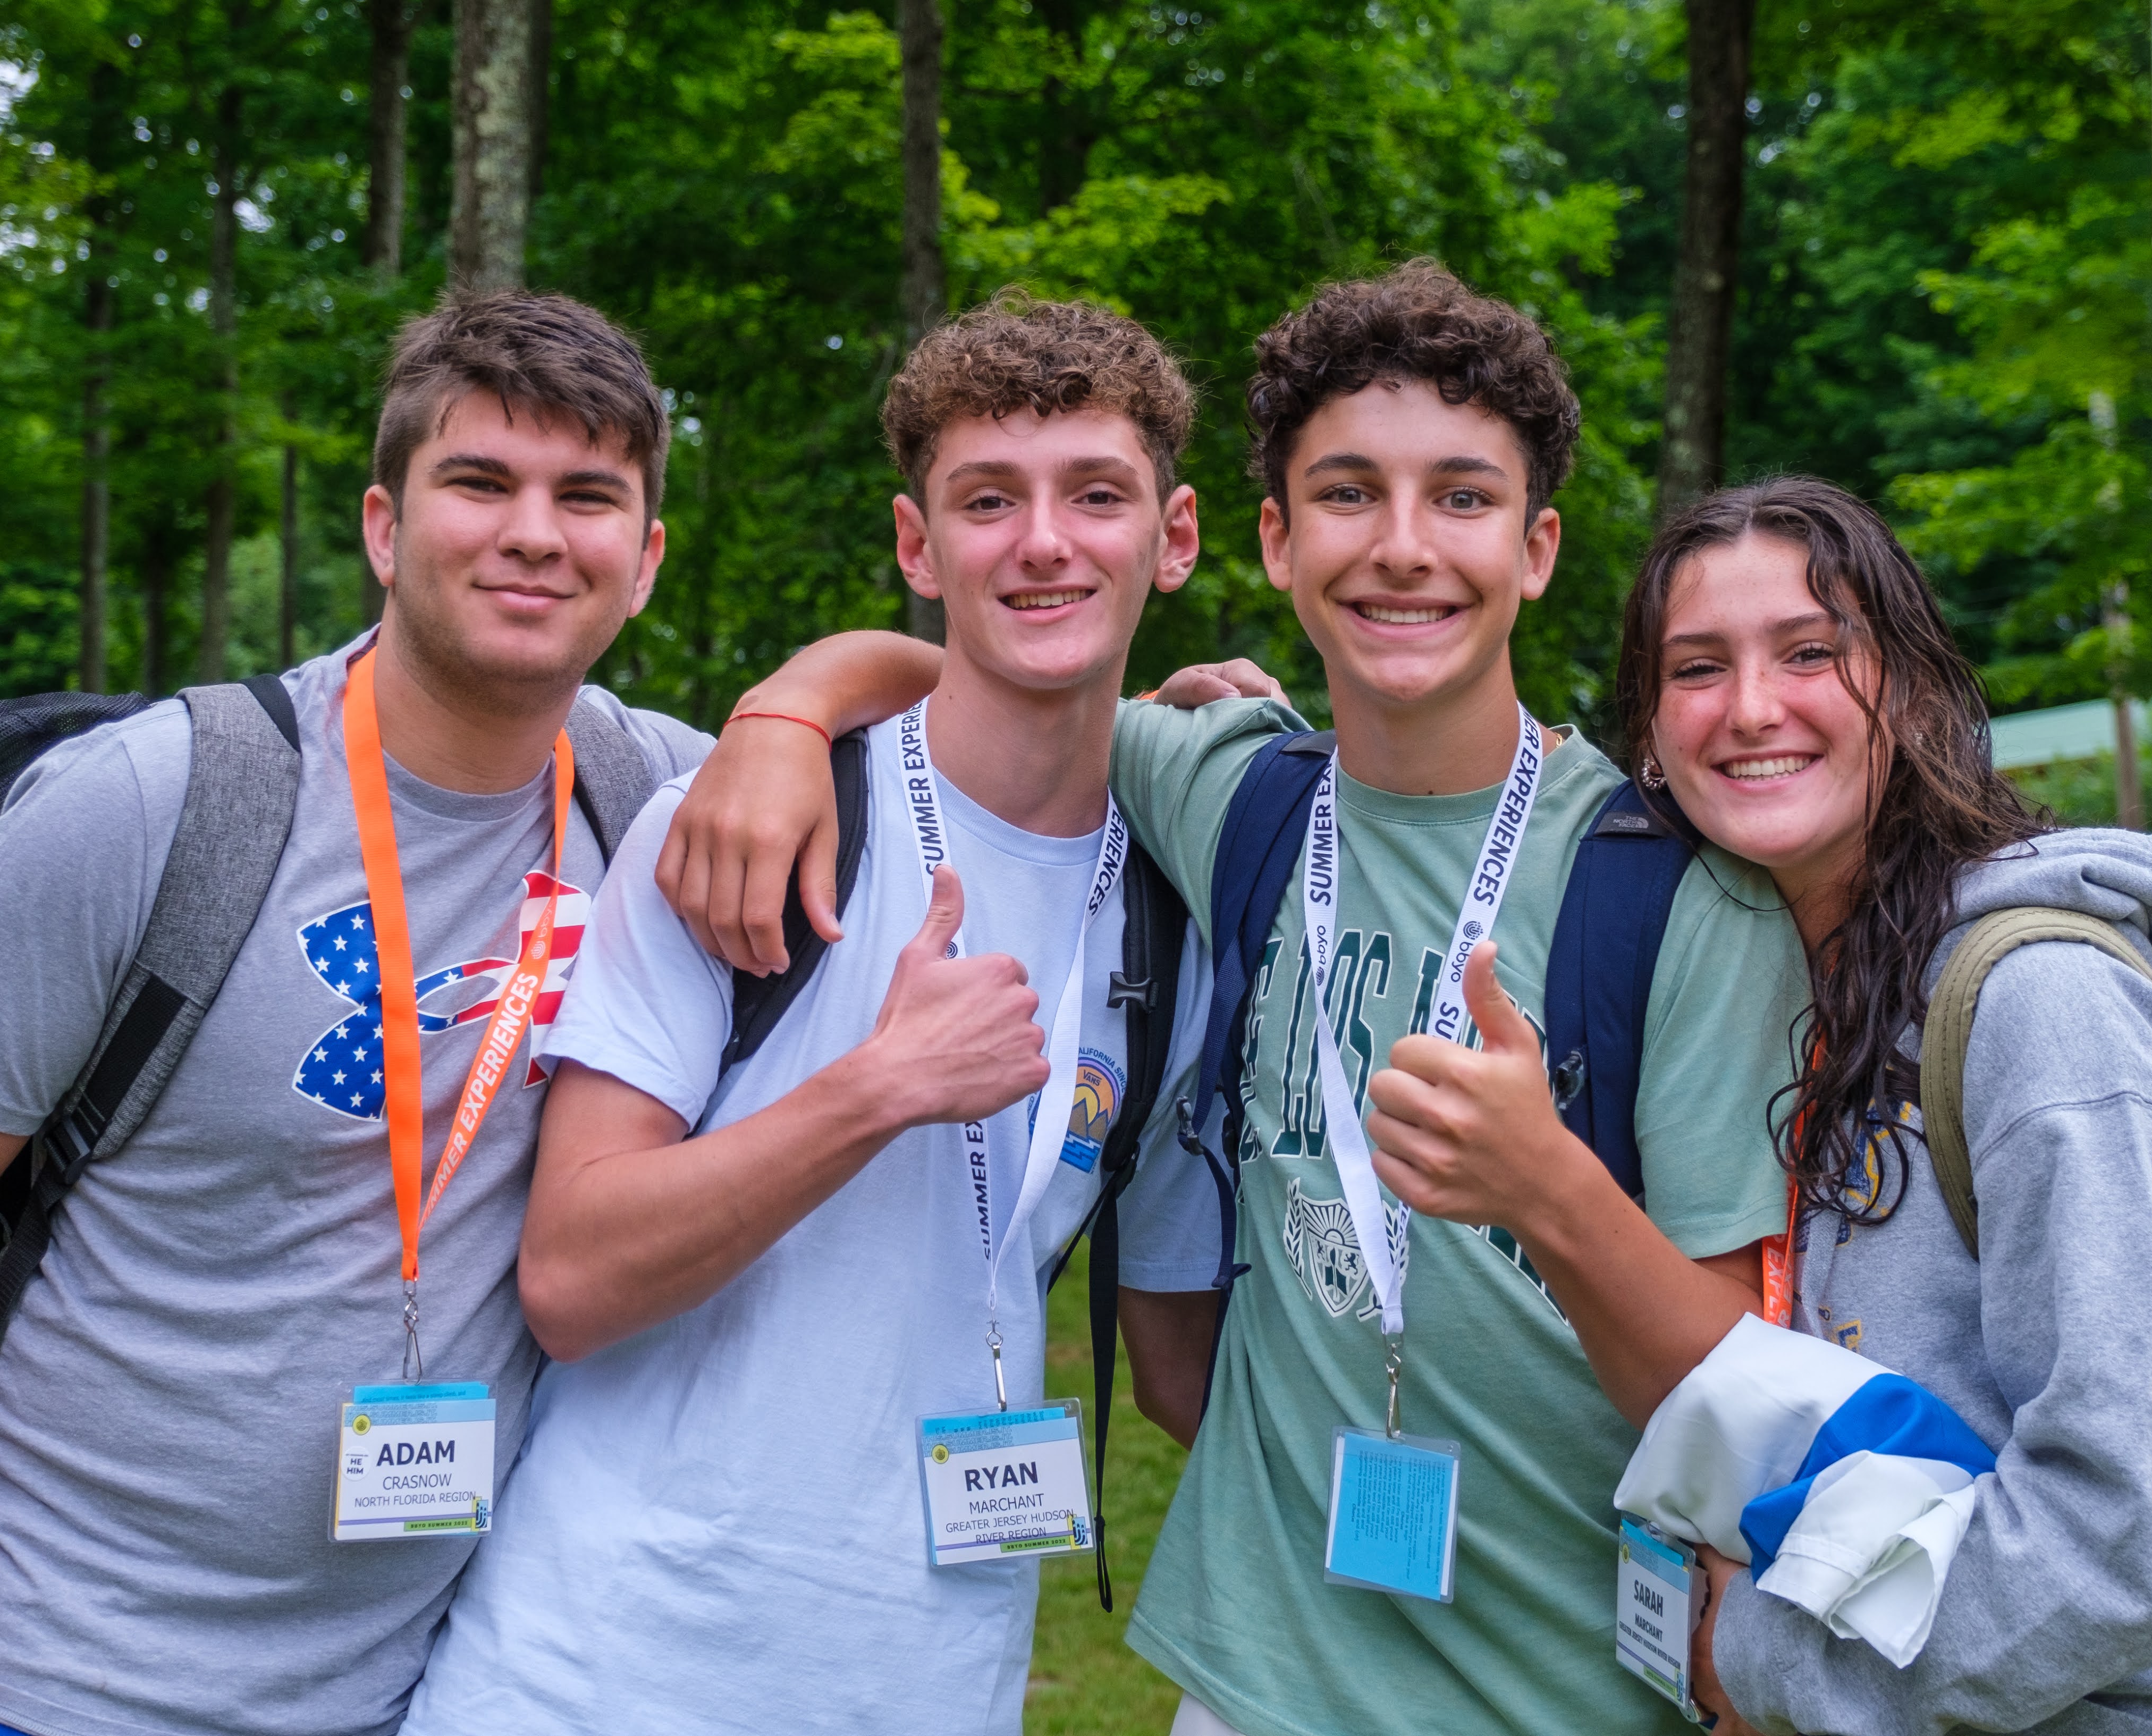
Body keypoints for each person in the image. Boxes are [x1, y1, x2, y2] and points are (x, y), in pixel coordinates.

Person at [661, 262, 1811, 1734]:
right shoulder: (1234, 793)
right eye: (1345, 495)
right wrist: (785, 710)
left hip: (1563, 1688)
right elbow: (1001, 672)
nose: (1402, 549)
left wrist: (1546, 1190)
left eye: (1461, 498)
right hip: (1252, 1680)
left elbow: (1724, 1391)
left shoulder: (1672, 895)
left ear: (1536, 549)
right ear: (1270, 539)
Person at [0, 291, 942, 1736]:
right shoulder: (155, 804)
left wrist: (800, 698)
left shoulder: (660, 800)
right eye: (481, 482)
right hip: (69, 1681)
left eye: (589, 496)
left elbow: (982, 715)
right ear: (385, 528)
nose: (535, 531)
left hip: (438, 1688)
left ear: (643, 563)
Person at [401, 293, 1228, 1736]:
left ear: (1176, 536)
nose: (1042, 542)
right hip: (594, 1676)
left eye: (1096, 495)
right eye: (988, 501)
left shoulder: (1181, 893)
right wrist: (876, 1086)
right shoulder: (755, 827)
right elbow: (573, 1277)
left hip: (930, 1677)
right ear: (919, 545)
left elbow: (1181, 1352)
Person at [1431, 474, 2152, 1732]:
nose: (1750, 706)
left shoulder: (2039, 1012)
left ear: (1909, 689)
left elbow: (2133, 1529)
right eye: (1695, 666)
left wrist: (1764, 1654)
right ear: (1647, 736)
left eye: (1808, 651)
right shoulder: (1795, 1014)